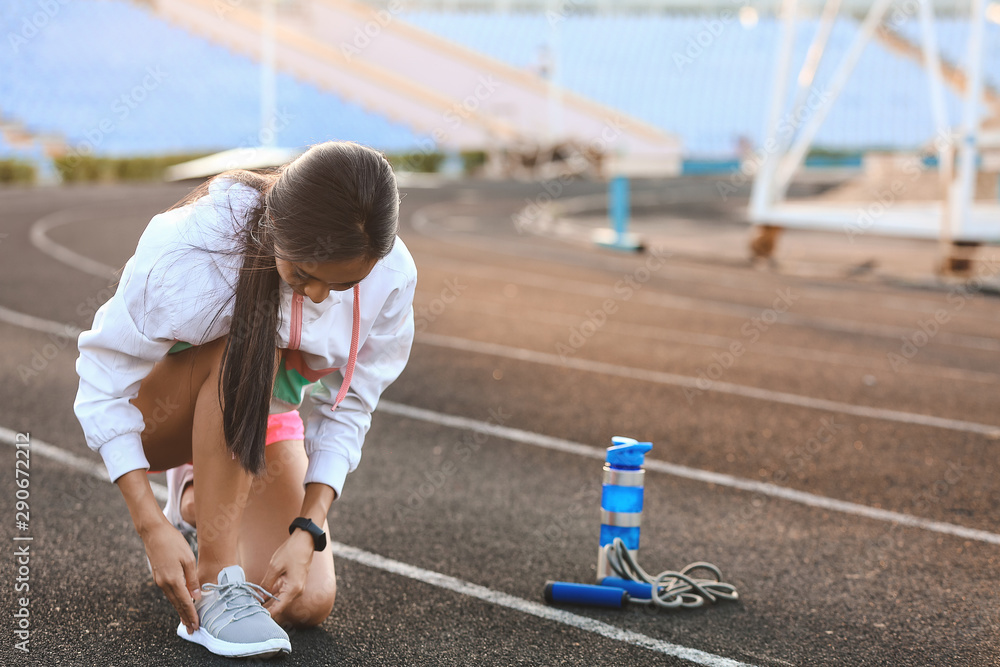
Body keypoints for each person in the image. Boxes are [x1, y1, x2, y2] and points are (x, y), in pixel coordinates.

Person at [72, 141, 417, 659]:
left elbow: (348, 407)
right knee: (245, 343)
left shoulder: (391, 279)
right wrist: (151, 526)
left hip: (262, 421)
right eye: (303, 275)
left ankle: (197, 500)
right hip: (163, 413)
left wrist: (308, 529)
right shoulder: (197, 244)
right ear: (277, 225)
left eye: (343, 285)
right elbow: (101, 383)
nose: (320, 296)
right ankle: (212, 579)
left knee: (307, 603)